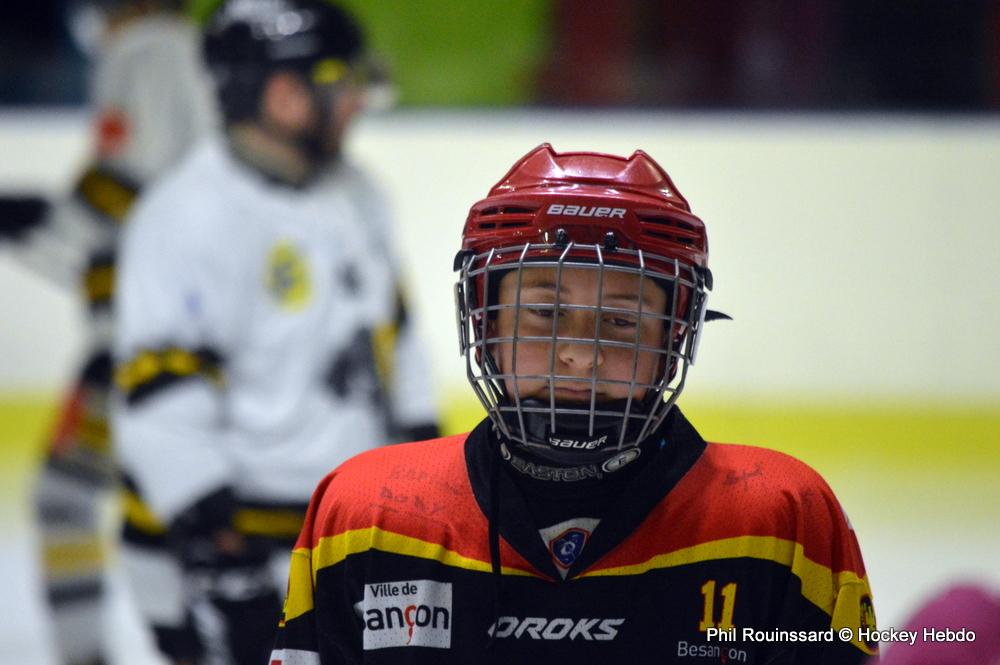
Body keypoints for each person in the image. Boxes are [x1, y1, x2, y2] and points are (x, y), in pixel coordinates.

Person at [269, 144, 878, 664]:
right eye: (544, 311)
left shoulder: (776, 523)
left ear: (675, 336)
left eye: (622, 320)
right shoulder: (367, 519)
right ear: (484, 320)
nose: (581, 354)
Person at [111, 1, 438, 664]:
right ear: (285, 96)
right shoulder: (186, 216)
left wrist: (421, 463)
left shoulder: (358, 194)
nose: (356, 99)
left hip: (348, 532)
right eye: (341, 80)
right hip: (245, 547)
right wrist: (218, 543)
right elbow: (160, 395)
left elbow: (392, 336)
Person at [0, 2, 214, 663]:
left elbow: (125, 185)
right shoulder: (180, 51)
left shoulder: (148, 50)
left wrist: (47, 224)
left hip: (140, 341)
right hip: (154, 335)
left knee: (83, 503)